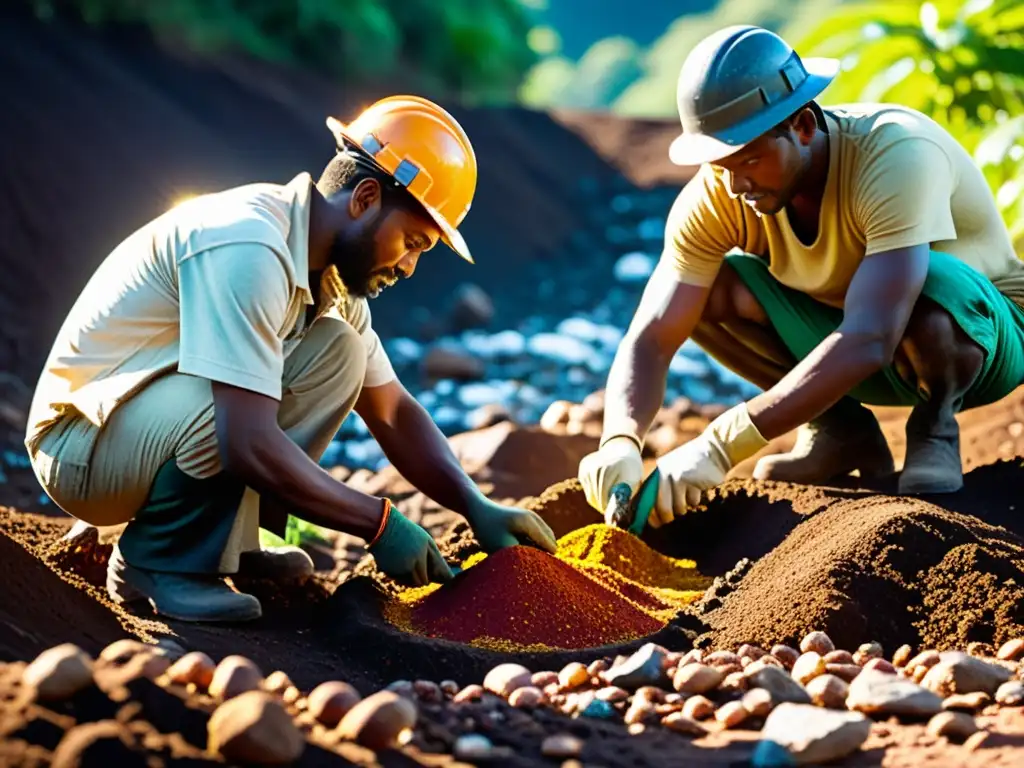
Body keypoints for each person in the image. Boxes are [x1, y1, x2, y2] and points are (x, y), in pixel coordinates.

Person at [25, 95, 556, 622]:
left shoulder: (333, 275)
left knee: (340, 354)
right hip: (80, 445)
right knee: (237, 402)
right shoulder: (250, 247)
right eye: (412, 242)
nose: (411, 266)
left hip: (147, 421)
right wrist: (380, 524)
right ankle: (158, 562)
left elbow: (392, 411)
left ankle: (221, 544)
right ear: (365, 198)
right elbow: (246, 440)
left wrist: (474, 505)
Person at [578, 25, 1024, 528]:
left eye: (748, 158)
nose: (735, 182)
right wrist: (619, 438)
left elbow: (872, 335)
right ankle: (839, 429)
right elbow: (653, 333)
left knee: (927, 279)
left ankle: (935, 426)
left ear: (804, 126)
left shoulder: (895, 153)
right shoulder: (723, 191)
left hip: (983, 338)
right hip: (851, 337)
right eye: (719, 164)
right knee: (705, 290)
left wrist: (722, 445)